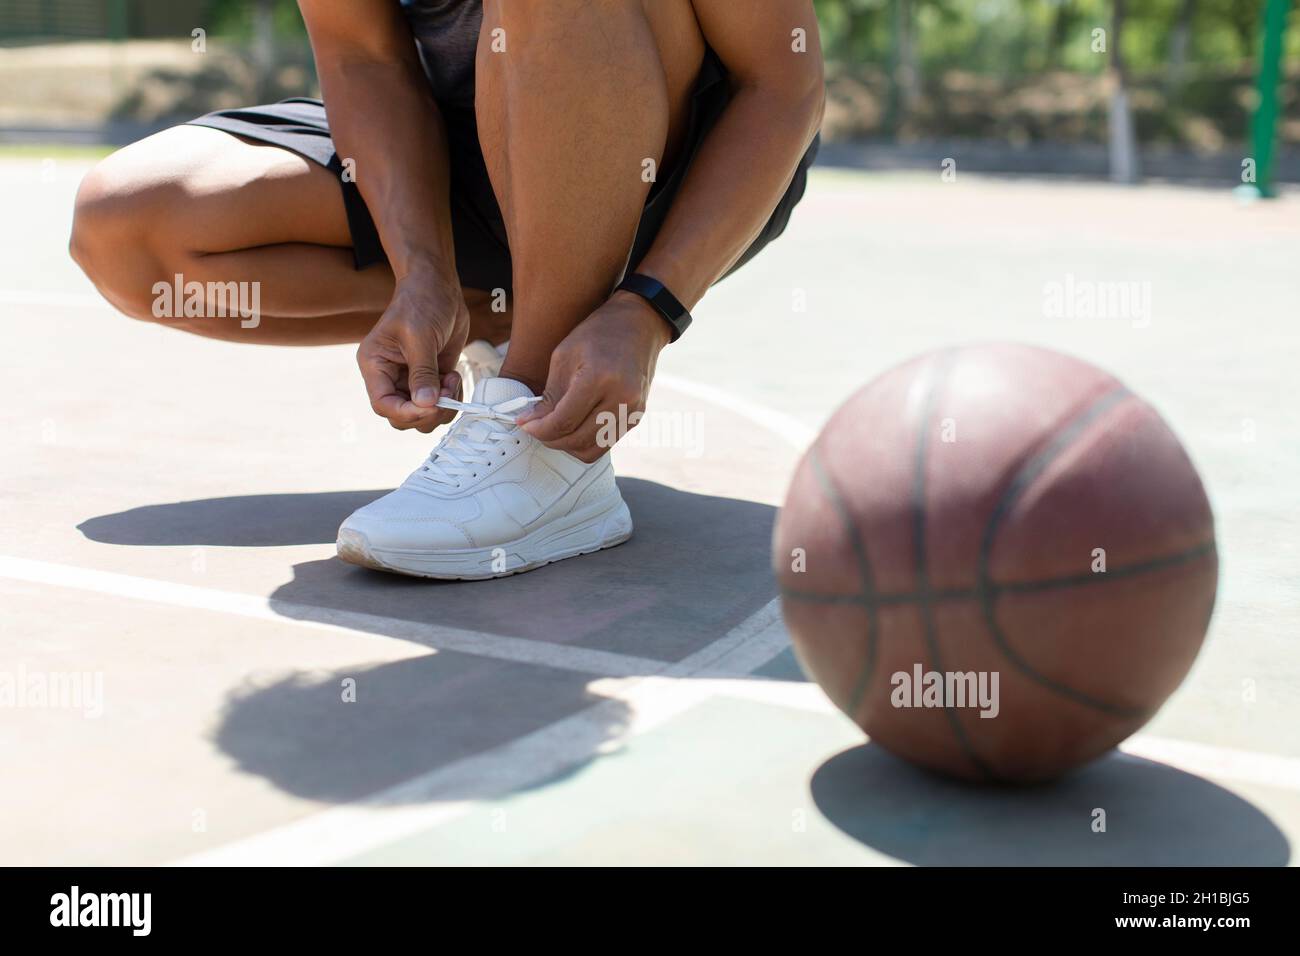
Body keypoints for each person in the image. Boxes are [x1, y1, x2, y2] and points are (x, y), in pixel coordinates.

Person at [69, 0, 824, 579]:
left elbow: (782, 84)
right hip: (465, 149)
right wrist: (421, 273)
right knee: (129, 227)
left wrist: (651, 306)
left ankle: (546, 434)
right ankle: (529, 311)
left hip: (666, 170)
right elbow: (365, 60)